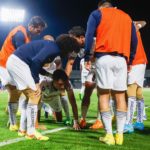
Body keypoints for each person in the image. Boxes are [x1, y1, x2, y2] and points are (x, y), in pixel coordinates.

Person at [6, 34, 80, 140]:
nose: (70, 54)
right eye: (71, 51)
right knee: (35, 95)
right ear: (67, 47)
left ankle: (22, 129)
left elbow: (36, 64)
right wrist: (36, 82)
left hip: (16, 62)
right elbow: (36, 62)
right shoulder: (54, 49)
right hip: (19, 63)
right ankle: (31, 132)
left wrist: (49, 75)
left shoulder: (52, 47)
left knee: (29, 98)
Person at [84, 0, 137, 145]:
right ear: (113, 6)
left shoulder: (97, 13)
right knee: (120, 96)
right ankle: (119, 135)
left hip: (104, 57)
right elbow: (134, 40)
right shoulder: (127, 16)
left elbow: (89, 35)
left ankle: (109, 135)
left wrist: (88, 57)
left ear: (101, 7)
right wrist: (130, 60)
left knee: (104, 94)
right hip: (121, 60)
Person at [0, 16, 47, 131]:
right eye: (38, 30)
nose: (39, 33)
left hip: (12, 65)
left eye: (41, 31)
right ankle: (13, 123)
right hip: (5, 65)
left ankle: (14, 120)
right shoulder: (20, 33)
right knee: (14, 92)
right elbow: (21, 54)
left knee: (17, 92)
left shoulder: (27, 35)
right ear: (31, 26)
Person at [124, 21, 148, 133]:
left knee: (131, 91)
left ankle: (128, 124)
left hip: (135, 62)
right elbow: (144, 22)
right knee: (138, 92)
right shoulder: (133, 27)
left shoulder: (126, 30)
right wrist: (136, 24)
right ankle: (139, 122)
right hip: (142, 61)